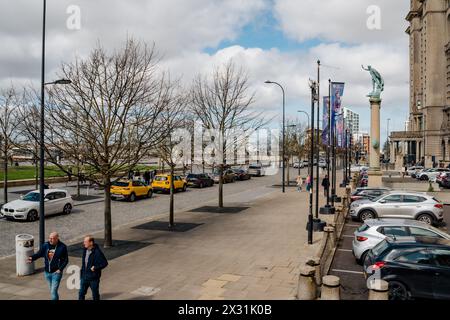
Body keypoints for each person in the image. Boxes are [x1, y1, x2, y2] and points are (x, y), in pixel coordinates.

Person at [28, 232, 68, 300]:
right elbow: (39, 254)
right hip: (47, 272)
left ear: (57, 239)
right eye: (50, 238)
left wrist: (60, 269)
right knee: (52, 291)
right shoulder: (45, 245)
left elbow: (66, 260)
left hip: (56, 273)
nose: (50, 240)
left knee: (53, 291)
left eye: (52, 238)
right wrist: (32, 258)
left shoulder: (62, 247)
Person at [79, 236, 108, 301]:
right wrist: (82, 274)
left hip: (93, 278)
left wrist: (95, 267)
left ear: (91, 243)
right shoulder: (85, 250)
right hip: (84, 277)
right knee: (81, 293)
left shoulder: (97, 252)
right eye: (84, 241)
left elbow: (105, 263)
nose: (84, 243)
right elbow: (84, 263)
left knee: (95, 295)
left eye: (85, 242)